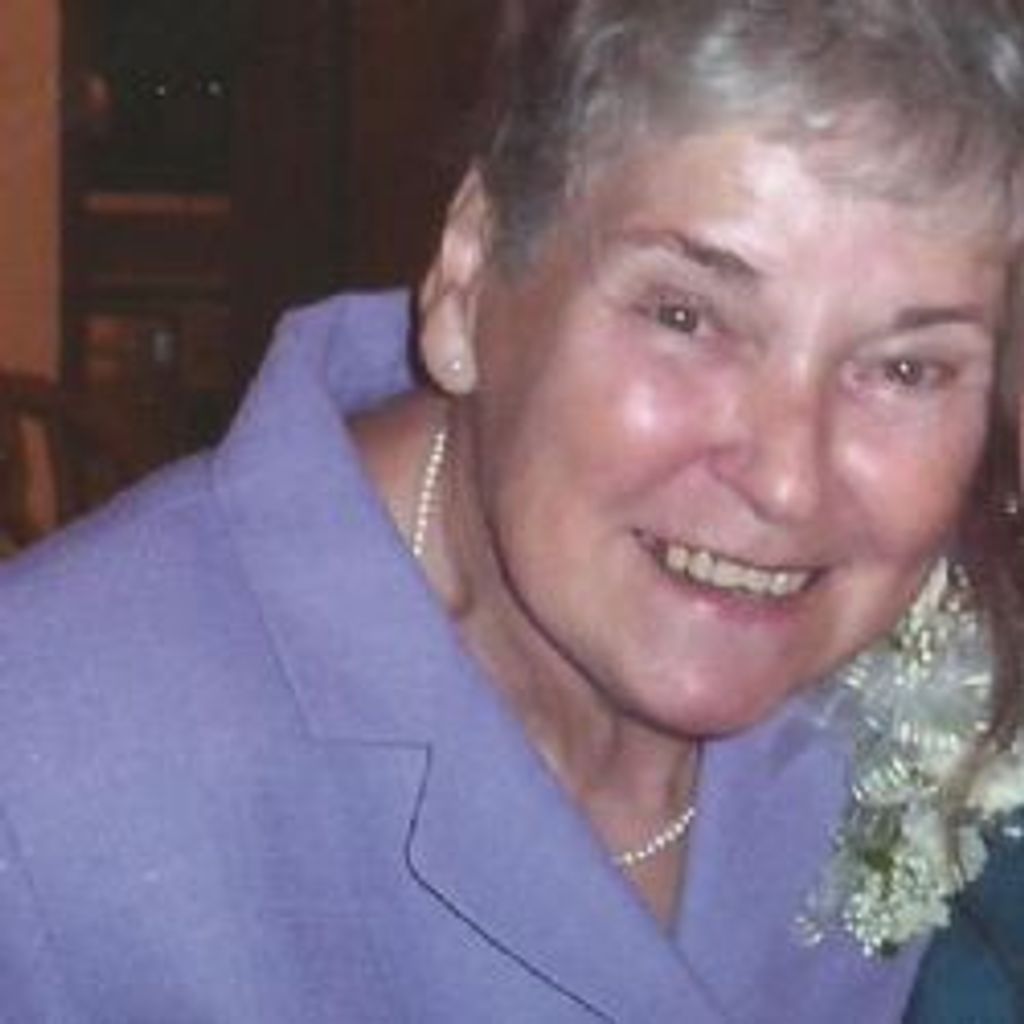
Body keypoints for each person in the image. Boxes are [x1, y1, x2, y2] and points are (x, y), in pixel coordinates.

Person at [2, 1, 1024, 1020]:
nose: (790, 481)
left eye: (907, 368)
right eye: (685, 316)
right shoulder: (43, 776)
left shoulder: (947, 689)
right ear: (468, 276)